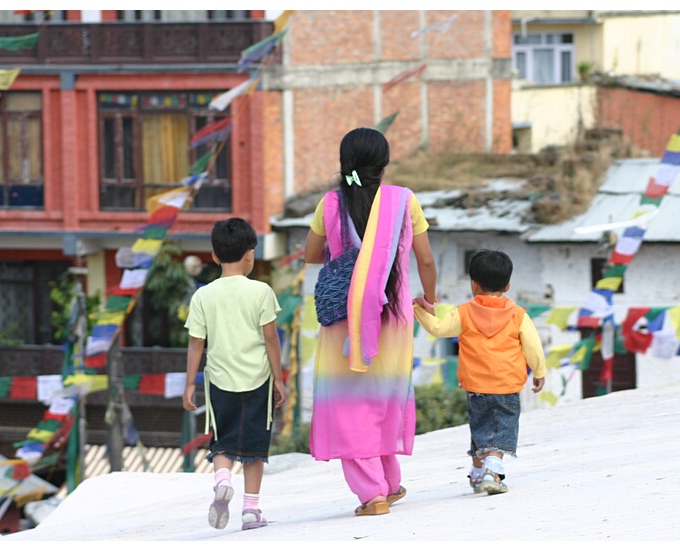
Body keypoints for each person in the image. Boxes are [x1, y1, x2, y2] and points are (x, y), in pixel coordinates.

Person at [304, 127, 438, 516]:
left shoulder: (329, 203)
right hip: (392, 317)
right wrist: (428, 300)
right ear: (384, 163)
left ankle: (373, 494)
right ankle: (390, 484)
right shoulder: (404, 201)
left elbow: (312, 255)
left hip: (344, 320)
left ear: (345, 163)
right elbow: (425, 259)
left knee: (349, 407)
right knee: (382, 397)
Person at [412, 249, 546, 495]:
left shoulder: (464, 312)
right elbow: (533, 346)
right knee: (501, 432)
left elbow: (438, 329)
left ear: (474, 285)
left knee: (481, 430)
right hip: (506, 385)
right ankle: (492, 472)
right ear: (507, 285)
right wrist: (539, 371)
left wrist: (419, 309)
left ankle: (476, 474)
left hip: (475, 386)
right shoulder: (518, 315)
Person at [183, 217, 286, 531]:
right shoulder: (261, 291)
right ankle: (251, 511)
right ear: (250, 254)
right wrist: (279, 378)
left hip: (220, 380)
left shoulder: (203, 296)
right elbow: (271, 338)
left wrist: (189, 384)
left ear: (214, 257)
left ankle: (222, 478)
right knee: (254, 447)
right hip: (258, 378)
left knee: (223, 440)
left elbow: (196, 342)